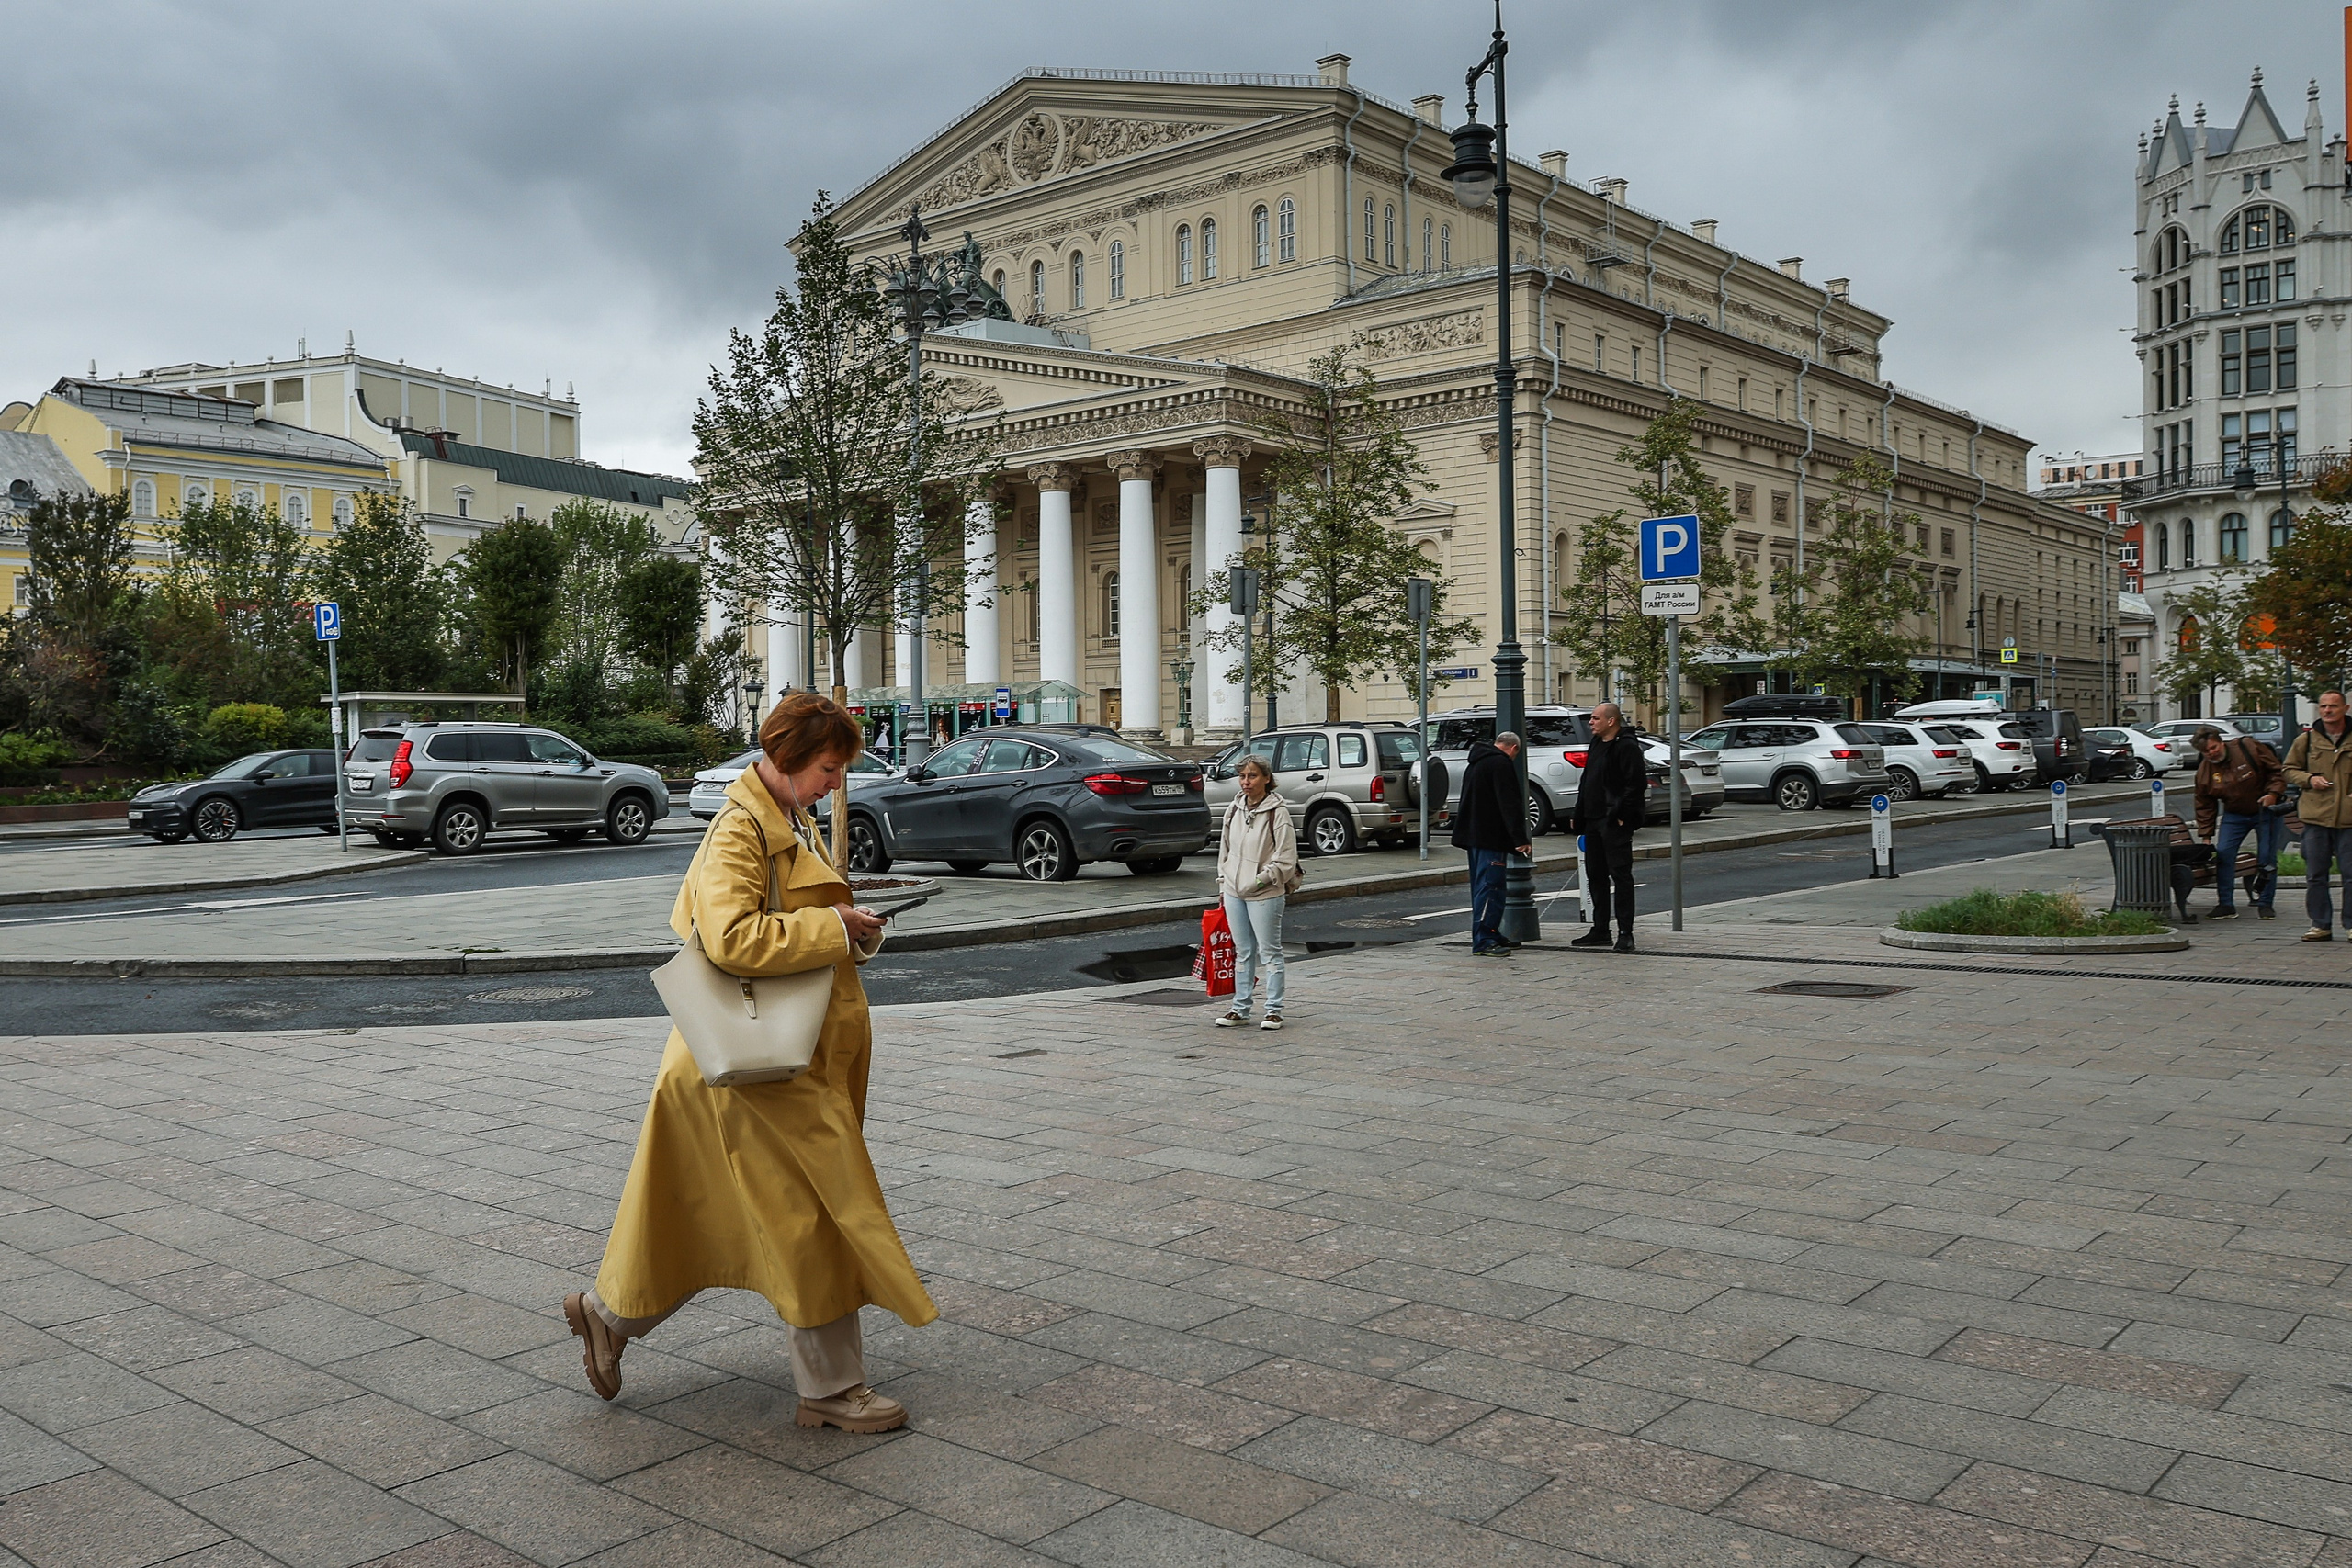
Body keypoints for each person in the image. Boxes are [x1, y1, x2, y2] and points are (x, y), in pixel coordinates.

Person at [563, 693, 934, 1433]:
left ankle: (606, 1314)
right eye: (829, 768)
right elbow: (733, 937)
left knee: (701, 1219)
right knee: (813, 1216)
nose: (836, 782)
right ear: (790, 760)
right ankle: (831, 1388)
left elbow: (786, 919)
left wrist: (849, 927)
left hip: (761, 1062)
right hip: (756, 1070)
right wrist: (834, 925)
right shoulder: (741, 828)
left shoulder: (784, 814)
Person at [1214, 754, 1300, 1030]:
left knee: (1269, 950)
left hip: (1265, 893)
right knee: (1243, 951)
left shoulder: (1278, 812)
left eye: (1252, 776)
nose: (1246, 782)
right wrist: (1223, 881)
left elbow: (1286, 860)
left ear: (1266, 778)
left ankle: (1274, 1010)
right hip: (1233, 891)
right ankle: (1240, 1008)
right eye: (1242, 776)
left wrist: (1260, 881)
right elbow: (1224, 849)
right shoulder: (1234, 808)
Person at [1569, 701, 1648, 953]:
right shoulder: (1596, 744)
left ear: (1611, 721)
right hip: (1593, 820)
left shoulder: (1626, 747)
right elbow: (1587, 781)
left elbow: (1635, 785)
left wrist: (1622, 815)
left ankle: (1626, 932)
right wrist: (1578, 813)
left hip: (1614, 822)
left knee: (1621, 876)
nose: (1590, 722)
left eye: (1595, 718)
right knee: (1595, 876)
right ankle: (1600, 929)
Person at [1450, 729, 1533, 954]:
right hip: (1491, 838)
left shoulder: (1476, 763)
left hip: (1475, 836)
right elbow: (1509, 803)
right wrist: (1520, 838)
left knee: (1483, 887)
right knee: (1491, 888)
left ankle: (1491, 931)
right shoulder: (1500, 764)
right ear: (1514, 748)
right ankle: (1485, 938)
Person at [2192, 722, 2286, 919]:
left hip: (2265, 809)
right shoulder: (2204, 772)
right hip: (2235, 814)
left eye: (2213, 748)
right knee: (2224, 854)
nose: (2212, 753)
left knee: (2267, 858)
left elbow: (2277, 771)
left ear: (2221, 743)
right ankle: (2226, 904)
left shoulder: (2248, 747)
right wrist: (2206, 835)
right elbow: (2204, 804)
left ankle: (2265, 904)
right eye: (2206, 752)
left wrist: (2273, 794)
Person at [2286, 689, 2352, 941]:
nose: (2327, 710)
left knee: (2351, 875)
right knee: (2315, 874)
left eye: (2333, 706)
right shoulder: (2307, 740)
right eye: (2323, 706)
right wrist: (2309, 779)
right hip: (2316, 816)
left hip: (2349, 818)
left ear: (2345, 709)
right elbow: (2289, 769)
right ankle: (2320, 924)